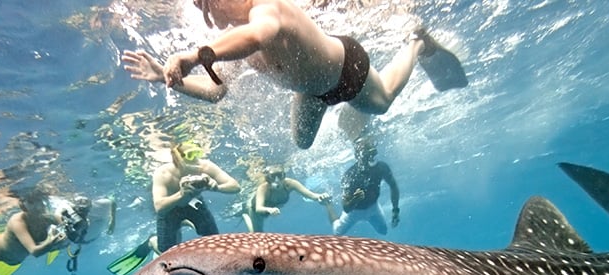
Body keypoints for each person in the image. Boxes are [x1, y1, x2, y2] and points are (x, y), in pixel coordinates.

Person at [121, 0, 467, 149]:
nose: (209, 13)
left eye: (211, 3)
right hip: (312, 92)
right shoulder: (234, 40)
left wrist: (194, 56)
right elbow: (216, 92)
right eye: (203, 8)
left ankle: (416, 42)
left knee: (384, 100)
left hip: (346, 67)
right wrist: (170, 81)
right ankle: (340, 107)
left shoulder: (266, 9)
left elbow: (258, 35)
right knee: (302, 142)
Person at [107, 141, 240, 275]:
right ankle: (152, 242)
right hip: (170, 208)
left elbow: (235, 187)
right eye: (190, 155)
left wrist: (216, 187)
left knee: (214, 239)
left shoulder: (205, 166)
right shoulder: (164, 173)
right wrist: (181, 194)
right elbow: (160, 207)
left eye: (198, 154)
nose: (195, 159)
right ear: (177, 158)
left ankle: (186, 222)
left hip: (194, 202)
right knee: (168, 254)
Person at [331, 137, 400, 236]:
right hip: (354, 213)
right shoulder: (349, 175)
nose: (370, 159)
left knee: (383, 231)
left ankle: (369, 217)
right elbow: (346, 208)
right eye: (366, 156)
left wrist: (395, 210)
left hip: (373, 207)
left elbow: (393, 186)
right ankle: (328, 205)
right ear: (358, 156)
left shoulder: (381, 167)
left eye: (371, 154)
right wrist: (354, 200)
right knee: (337, 232)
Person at [242, 164, 334, 232]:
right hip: (254, 209)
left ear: (284, 175)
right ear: (268, 178)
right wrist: (270, 210)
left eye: (280, 175)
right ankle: (245, 215)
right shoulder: (263, 188)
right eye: (273, 176)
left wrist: (321, 196)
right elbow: (258, 208)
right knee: (257, 234)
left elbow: (312, 196)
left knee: (260, 229)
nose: (277, 180)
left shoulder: (290, 184)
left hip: (271, 208)